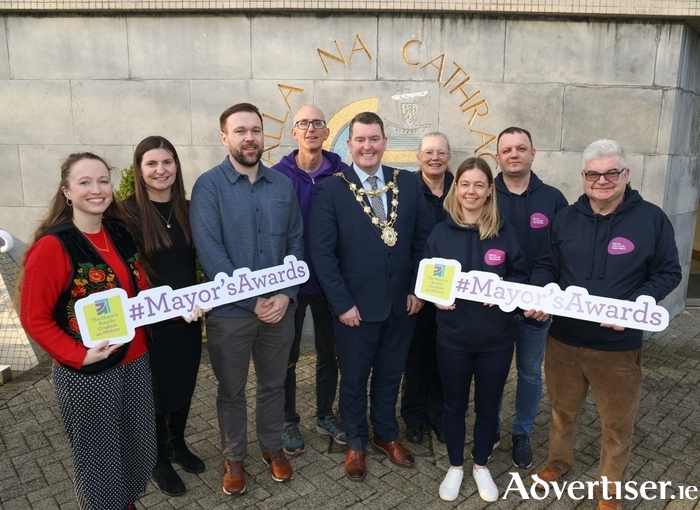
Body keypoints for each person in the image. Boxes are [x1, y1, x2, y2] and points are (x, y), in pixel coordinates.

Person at [527, 140, 681, 510]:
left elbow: (669, 271)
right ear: (583, 177)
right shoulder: (565, 218)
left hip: (618, 347)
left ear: (626, 175)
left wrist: (642, 299)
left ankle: (609, 489)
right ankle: (558, 462)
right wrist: (543, 289)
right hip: (563, 340)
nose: (603, 180)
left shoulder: (652, 219)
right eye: (594, 173)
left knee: (616, 425)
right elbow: (546, 264)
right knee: (562, 411)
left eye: (612, 172)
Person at [18, 153, 156, 510]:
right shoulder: (53, 246)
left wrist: (180, 308)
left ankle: (124, 503)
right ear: (66, 191)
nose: (97, 190)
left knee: (139, 449)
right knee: (99, 463)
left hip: (135, 360)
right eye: (84, 182)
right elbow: (34, 318)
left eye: (103, 181)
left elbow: (139, 294)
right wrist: (78, 355)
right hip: (88, 374)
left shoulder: (120, 233)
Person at [309, 111, 431, 482]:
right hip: (355, 310)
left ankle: (385, 434)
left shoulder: (407, 183)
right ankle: (356, 442)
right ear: (348, 145)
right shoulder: (331, 189)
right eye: (360, 139)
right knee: (354, 378)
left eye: (374, 139)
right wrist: (342, 304)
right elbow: (322, 253)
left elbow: (424, 240)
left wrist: (417, 289)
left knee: (390, 375)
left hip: (401, 304)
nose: (367, 146)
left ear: (384, 142)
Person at [190, 103, 304, 496]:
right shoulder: (208, 186)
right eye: (240, 131)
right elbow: (210, 250)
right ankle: (234, 455)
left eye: (255, 130)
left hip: (278, 310)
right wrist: (251, 300)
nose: (249, 138)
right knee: (231, 389)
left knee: (274, 384)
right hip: (231, 313)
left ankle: (271, 448)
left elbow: (296, 244)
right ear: (225, 138)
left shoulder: (282, 186)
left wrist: (287, 295)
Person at [425, 157, 527, 502]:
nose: (472, 191)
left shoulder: (505, 232)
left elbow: (523, 275)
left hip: (496, 339)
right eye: (465, 184)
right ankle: (455, 466)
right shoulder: (440, 233)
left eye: (479, 185)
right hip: (452, 337)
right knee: (454, 406)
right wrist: (434, 298)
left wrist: (505, 287)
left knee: (488, 405)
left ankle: (481, 465)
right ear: (457, 189)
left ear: (489, 190)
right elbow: (427, 278)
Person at [122, 136, 205, 497]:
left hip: (189, 317)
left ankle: (178, 443)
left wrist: (206, 295)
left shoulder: (189, 208)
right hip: (150, 322)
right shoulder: (125, 214)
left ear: (177, 166)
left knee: (184, 383)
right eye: (152, 164)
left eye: (167, 162)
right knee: (155, 391)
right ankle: (158, 460)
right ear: (140, 170)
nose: (161, 170)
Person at [272, 105, 348, 454]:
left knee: (329, 354)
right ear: (294, 133)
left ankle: (324, 414)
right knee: (286, 356)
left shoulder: (344, 175)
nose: (311, 129)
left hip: (330, 281)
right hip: (290, 285)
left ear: (326, 131)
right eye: (303, 123)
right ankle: (289, 420)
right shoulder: (277, 176)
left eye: (317, 123)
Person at [494, 127, 568, 468]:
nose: (513, 154)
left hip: (536, 310)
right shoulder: (482, 192)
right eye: (506, 149)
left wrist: (547, 299)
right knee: (490, 371)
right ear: (497, 157)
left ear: (533, 154)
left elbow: (562, 254)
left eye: (520, 148)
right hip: (491, 307)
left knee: (529, 373)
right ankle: (489, 428)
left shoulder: (553, 200)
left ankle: (521, 432)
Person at [400, 132, 453, 445]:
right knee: (415, 356)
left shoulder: (461, 189)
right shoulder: (406, 189)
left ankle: (440, 416)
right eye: (429, 152)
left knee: (444, 357)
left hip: (451, 292)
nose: (435, 158)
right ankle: (413, 417)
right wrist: (413, 289)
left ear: (448, 157)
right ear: (418, 157)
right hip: (417, 289)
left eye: (441, 152)